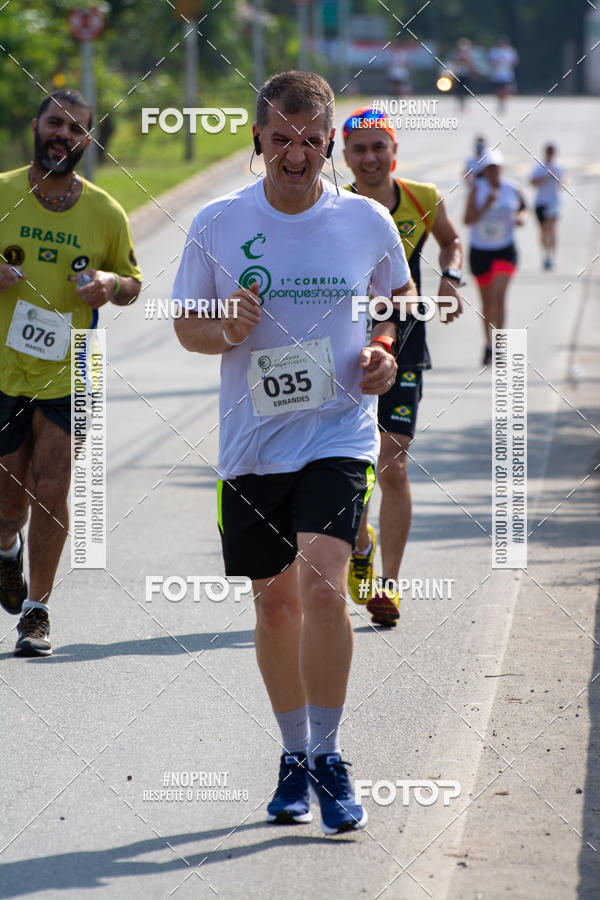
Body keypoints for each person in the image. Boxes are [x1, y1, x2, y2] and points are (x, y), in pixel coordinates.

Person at [172, 72, 413, 834]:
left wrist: (382, 353)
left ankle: (331, 757)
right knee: (273, 605)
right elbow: (186, 327)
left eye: (312, 140)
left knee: (318, 591)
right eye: (282, 139)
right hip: (251, 443)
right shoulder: (217, 221)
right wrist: (226, 330)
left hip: (339, 431)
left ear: (330, 142)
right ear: (258, 140)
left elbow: (393, 309)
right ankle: (293, 755)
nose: (297, 154)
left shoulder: (367, 220)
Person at [0, 89, 142, 655]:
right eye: (57, 122)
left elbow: (133, 284)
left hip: (73, 371)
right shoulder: (4, 192)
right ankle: (7, 550)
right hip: (5, 371)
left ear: (89, 141)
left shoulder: (105, 211)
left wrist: (113, 285)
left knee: (52, 489)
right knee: (8, 503)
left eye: (78, 129)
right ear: (37, 125)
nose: (65, 135)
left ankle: (37, 611)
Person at [342, 107, 463, 625]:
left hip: (405, 338)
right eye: (359, 149)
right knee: (348, 463)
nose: (370, 158)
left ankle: (388, 585)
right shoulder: (335, 204)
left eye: (379, 147)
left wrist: (450, 277)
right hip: (343, 341)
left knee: (392, 461)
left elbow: (451, 241)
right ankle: (357, 545)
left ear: (394, 152)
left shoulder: (422, 198)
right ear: (344, 156)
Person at [464, 148, 526, 365]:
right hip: (480, 251)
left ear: (501, 168)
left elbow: (523, 208)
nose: (493, 173)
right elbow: (467, 219)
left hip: (505, 250)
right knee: (487, 302)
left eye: (496, 168)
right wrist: (485, 206)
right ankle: (488, 346)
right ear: (484, 171)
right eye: (489, 169)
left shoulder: (512, 188)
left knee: (499, 297)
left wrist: (520, 217)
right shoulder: (476, 190)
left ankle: (500, 345)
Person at [530, 144, 565, 270]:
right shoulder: (539, 167)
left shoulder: (558, 167)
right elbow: (532, 182)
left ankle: (552, 257)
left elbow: (563, 182)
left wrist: (559, 180)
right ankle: (546, 255)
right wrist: (546, 177)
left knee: (552, 228)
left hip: (554, 202)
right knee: (544, 230)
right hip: (541, 202)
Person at [488, 37, 518, 113]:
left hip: (506, 74)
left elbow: (514, 62)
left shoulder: (510, 51)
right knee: (497, 90)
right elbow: (491, 62)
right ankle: (499, 102)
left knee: (505, 90)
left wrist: (508, 63)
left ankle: (503, 102)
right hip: (496, 74)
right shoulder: (494, 51)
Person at [452, 38, 476, 112]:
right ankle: (460, 105)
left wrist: (466, 60)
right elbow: (454, 63)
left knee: (467, 90)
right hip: (459, 74)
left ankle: (466, 105)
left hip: (467, 74)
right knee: (459, 91)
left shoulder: (470, 54)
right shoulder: (456, 54)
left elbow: (472, 64)